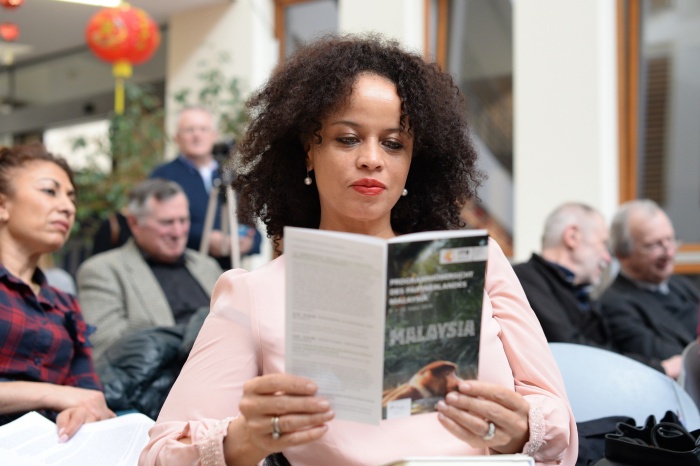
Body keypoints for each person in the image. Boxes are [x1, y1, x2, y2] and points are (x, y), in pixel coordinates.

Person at [140, 34, 576, 466]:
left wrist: (522, 429)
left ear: (413, 162)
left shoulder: (479, 265)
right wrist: (246, 439)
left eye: (393, 143)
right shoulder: (254, 293)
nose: (372, 159)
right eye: (348, 139)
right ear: (308, 151)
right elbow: (159, 454)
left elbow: (562, 431)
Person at [0, 143, 114, 441]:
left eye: (71, 197)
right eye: (50, 191)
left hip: (51, 447)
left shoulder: (65, 305)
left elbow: (88, 395)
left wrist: (81, 413)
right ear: (2, 205)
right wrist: (55, 395)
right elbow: (70, 395)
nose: (68, 207)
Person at [77, 178, 223, 361]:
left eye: (183, 220)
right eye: (166, 222)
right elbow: (107, 349)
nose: (178, 232)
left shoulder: (207, 266)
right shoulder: (103, 271)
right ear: (134, 224)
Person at [513, 202, 670, 373]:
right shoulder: (523, 280)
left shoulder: (576, 290)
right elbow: (574, 350)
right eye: (603, 244)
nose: (607, 258)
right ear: (572, 237)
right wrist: (659, 368)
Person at [150, 106, 262, 269]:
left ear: (214, 135)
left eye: (203, 129)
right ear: (177, 137)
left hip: (228, 271)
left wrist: (249, 243)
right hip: (182, 269)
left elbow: (253, 228)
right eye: (189, 130)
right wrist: (204, 238)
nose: (197, 135)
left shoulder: (232, 177)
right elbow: (154, 226)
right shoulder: (163, 176)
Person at [599, 199, 700, 379]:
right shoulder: (614, 304)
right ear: (622, 253)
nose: (668, 252)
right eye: (654, 245)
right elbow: (667, 357)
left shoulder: (681, 285)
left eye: (670, 240)